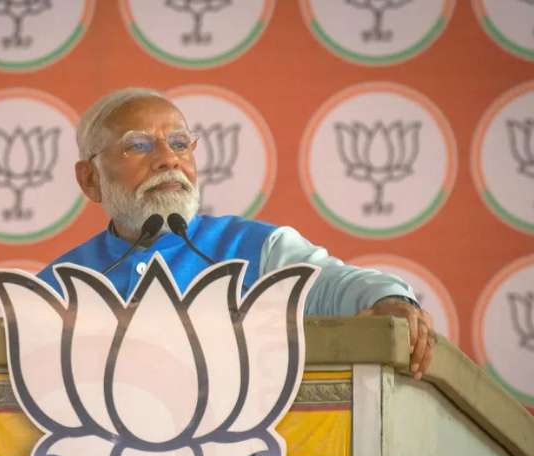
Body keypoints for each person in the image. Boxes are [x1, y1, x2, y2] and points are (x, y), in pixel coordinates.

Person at [37, 87, 436, 379]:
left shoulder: (258, 250)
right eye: (138, 146)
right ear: (90, 179)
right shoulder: (57, 285)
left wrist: (392, 300)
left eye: (179, 143)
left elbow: (341, 286)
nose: (168, 160)